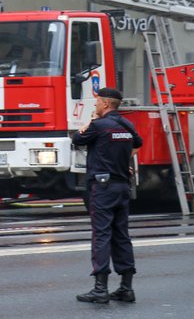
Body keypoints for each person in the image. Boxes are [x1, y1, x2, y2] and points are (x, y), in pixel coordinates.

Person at [72, 86, 143, 304]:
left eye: (96, 103)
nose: (95, 106)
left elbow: (77, 139)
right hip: (122, 187)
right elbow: (137, 144)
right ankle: (126, 288)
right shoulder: (126, 125)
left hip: (102, 188)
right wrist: (123, 162)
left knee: (101, 235)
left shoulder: (99, 125)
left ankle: (100, 289)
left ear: (104, 103)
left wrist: (89, 122)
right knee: (121, 235)